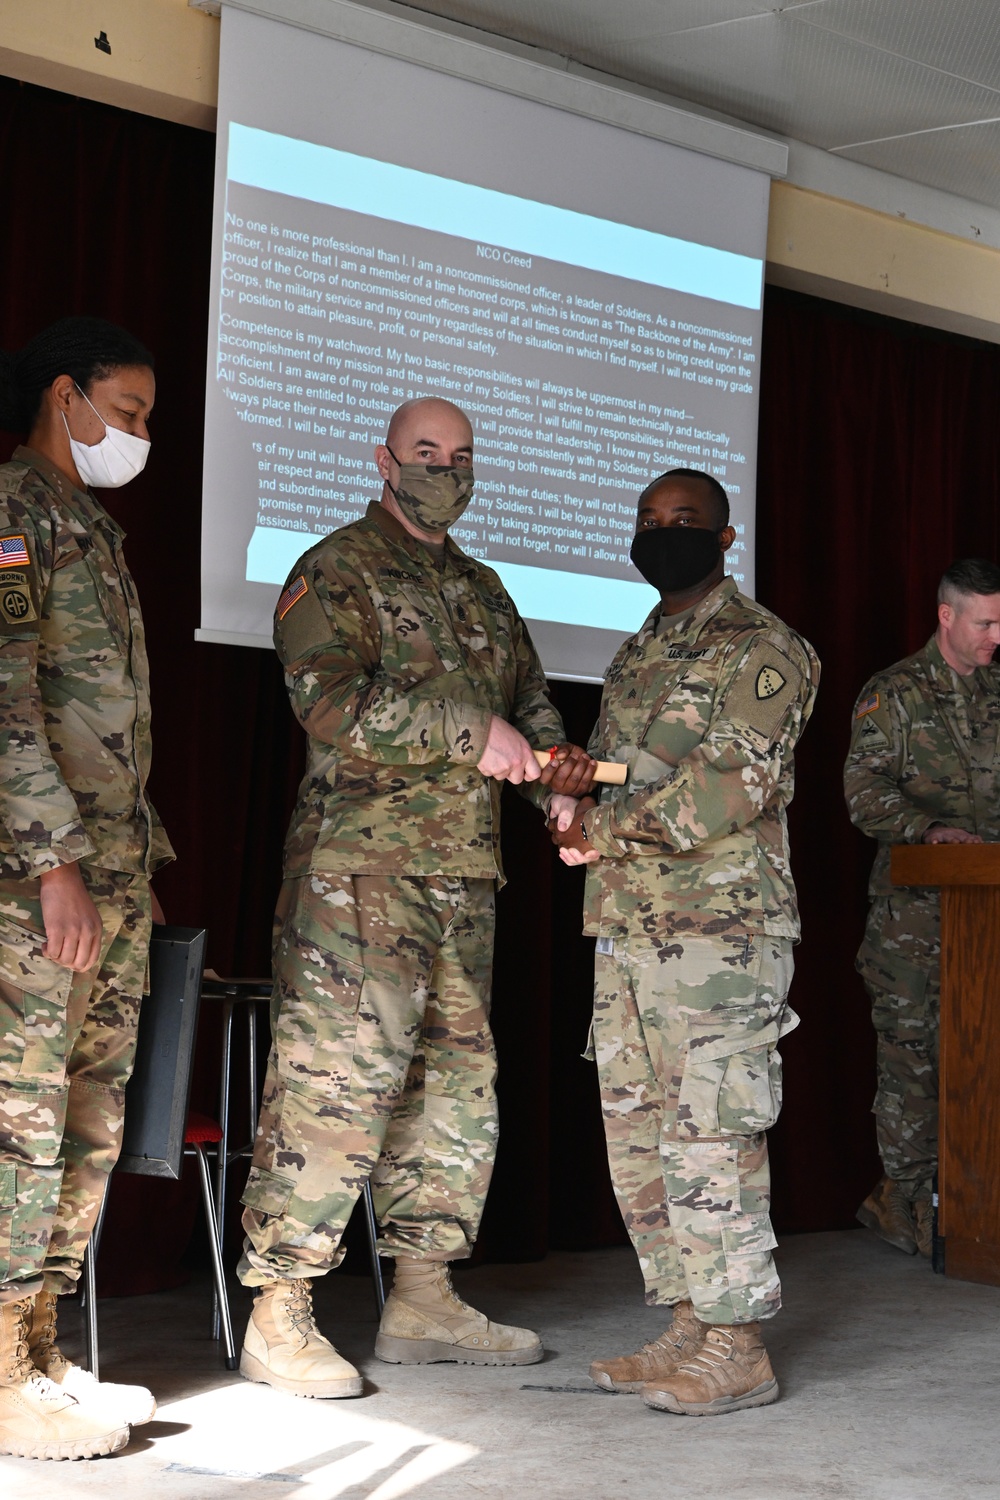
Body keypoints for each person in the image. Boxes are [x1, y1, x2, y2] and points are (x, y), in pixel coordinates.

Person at [237, 395, 592, 1398]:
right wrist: (463, 733)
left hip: (465, 877)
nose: (446, 468)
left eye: (461, 455)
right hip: (361, 875)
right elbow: (328, 700)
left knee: (452, 1090)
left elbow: (526, 705)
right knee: (334, 1087)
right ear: (383, 459)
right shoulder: (334, 568)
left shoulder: (482, 587)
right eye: (427, 452)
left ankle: (424, 1295)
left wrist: (555, 793)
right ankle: (279, 1312)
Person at [549, 468, 819, 1417]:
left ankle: (740, 1342)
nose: (664, 535)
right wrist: (572, 799)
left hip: (719, 934)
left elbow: (727, 791)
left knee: (713, 1128)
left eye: (685, 523)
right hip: (629, 926)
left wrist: (602, 830)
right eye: (649, 521)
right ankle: (689, 1322)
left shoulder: (763, 648)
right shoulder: (641, 649)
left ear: (725, 537)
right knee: (642, 1133)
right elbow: (627, 774)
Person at [0, 318, 173, 1459]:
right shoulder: (14, 512)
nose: (138, 433)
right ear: (67, 395)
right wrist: (54, 865)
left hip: (111, 872)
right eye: (128, 409)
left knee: (87, 1116)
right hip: (40, 879)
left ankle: (41, 1343)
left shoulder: (90, 527)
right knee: (17, 1113)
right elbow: (7, 702)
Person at [844, 558, 1000, 1258]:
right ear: (947, 616)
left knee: (981, 1058)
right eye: (986, 622)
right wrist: (926, 830)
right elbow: (863, 790)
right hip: (912, 921)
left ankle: (974, 1202)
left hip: (986, 918)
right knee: (913, 1063)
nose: (996, 636)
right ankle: (904, 1203)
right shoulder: (895, 693)